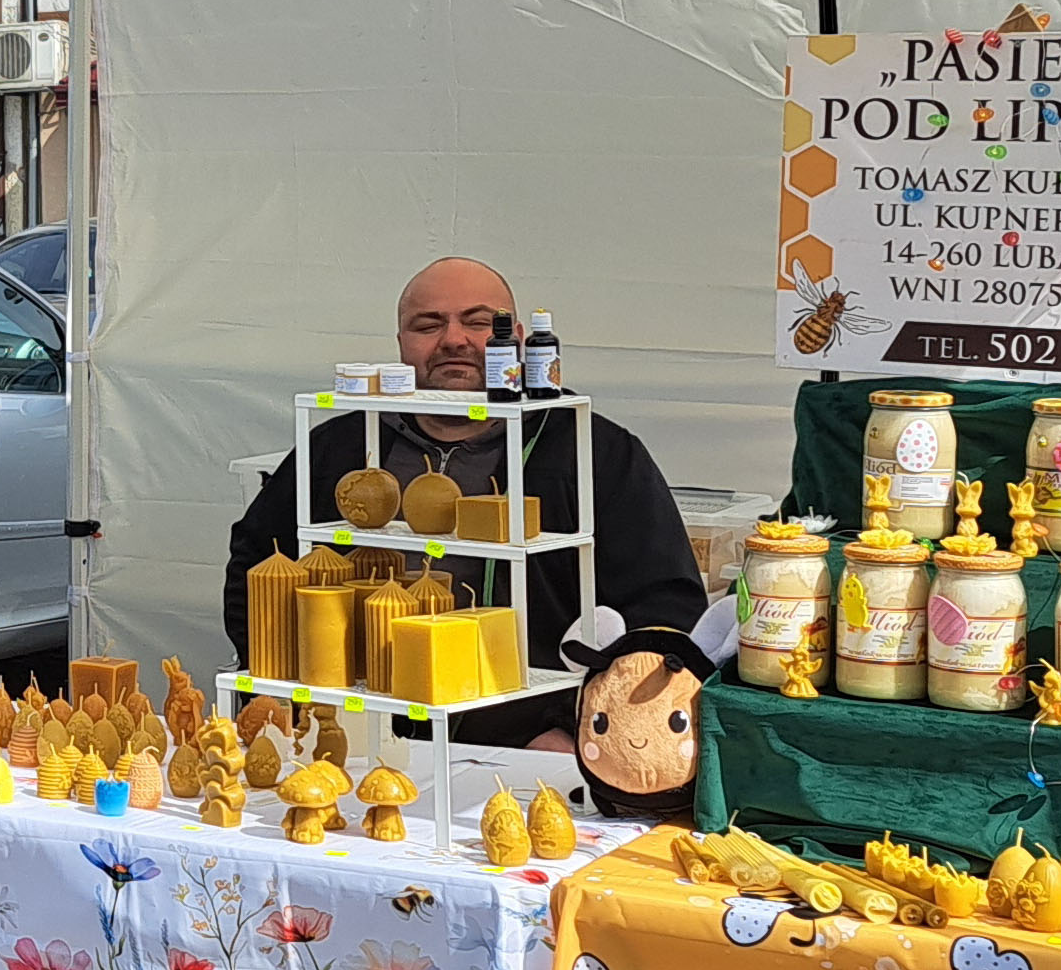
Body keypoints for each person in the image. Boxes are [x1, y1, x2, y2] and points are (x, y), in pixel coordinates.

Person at [222, 256, 707, 753]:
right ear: (400, 343)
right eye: (428, 325)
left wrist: (575, 722)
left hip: (529, 740)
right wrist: (286, 691)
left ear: (517, 340)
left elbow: (664, 606)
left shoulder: (592, 452)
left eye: (478, 322)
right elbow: (256, 566)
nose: (453, 340)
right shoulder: (338, 449)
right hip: (358, 730)